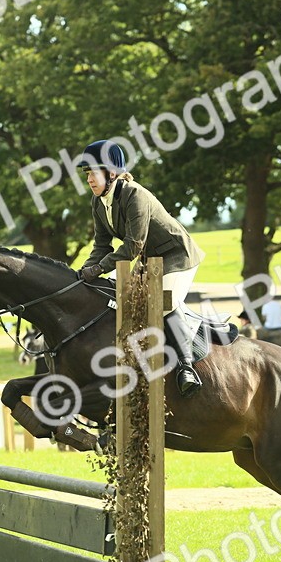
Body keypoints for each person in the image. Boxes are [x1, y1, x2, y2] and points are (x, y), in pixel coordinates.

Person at [75, 139, 207, 396]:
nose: (89, 179)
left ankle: (186, 367)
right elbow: (101, 245)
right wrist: (84, 272)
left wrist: (98, 269)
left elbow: (133, 245)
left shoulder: (135, 195)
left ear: (111, 173)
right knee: (120, 302)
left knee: (160, 303)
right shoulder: (98, 203)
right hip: (149, 260)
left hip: (177, 256)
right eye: (87, 173)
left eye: (93, 172)